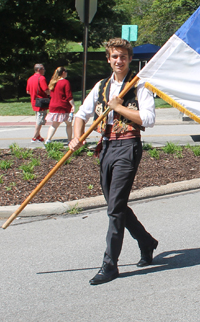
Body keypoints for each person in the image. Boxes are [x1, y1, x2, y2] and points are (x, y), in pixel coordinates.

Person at [69, 38, 158, 285]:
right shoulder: (101, 86)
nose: (119, 61)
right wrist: (76, 137)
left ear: (130, 59)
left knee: (115, 208)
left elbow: (148, 119)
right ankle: (146, 241)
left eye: (123, 57)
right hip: (106, 147)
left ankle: (110, 265)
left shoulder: (139, 86)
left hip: (128, 147)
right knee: (114, 204)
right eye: (114, 57)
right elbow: (81, 114)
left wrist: (119, 107)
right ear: (109, 59)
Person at [45, 67, 75, 144]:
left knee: (54, 125)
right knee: (69, 124)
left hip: (53, 105)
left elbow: (51, 94)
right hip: (63, 106)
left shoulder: (53, 82)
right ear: (63, 72)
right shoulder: (65, 82)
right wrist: (73, 105)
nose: (67, 73)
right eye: (66, 71)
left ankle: (48, 140)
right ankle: (69, 140)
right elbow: (69, 95)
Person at [26, 63, 50, 142]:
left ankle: (38, 136)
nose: (44, 70)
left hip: (34, 101)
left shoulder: (30, 78)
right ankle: (34, 136)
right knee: (40, 120)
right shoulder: (41, 78)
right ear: (39, 70)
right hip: (41, 102)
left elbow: (28, 91)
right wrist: (52, 93)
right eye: (43, 69)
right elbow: (46, 90)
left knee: (38, 117)